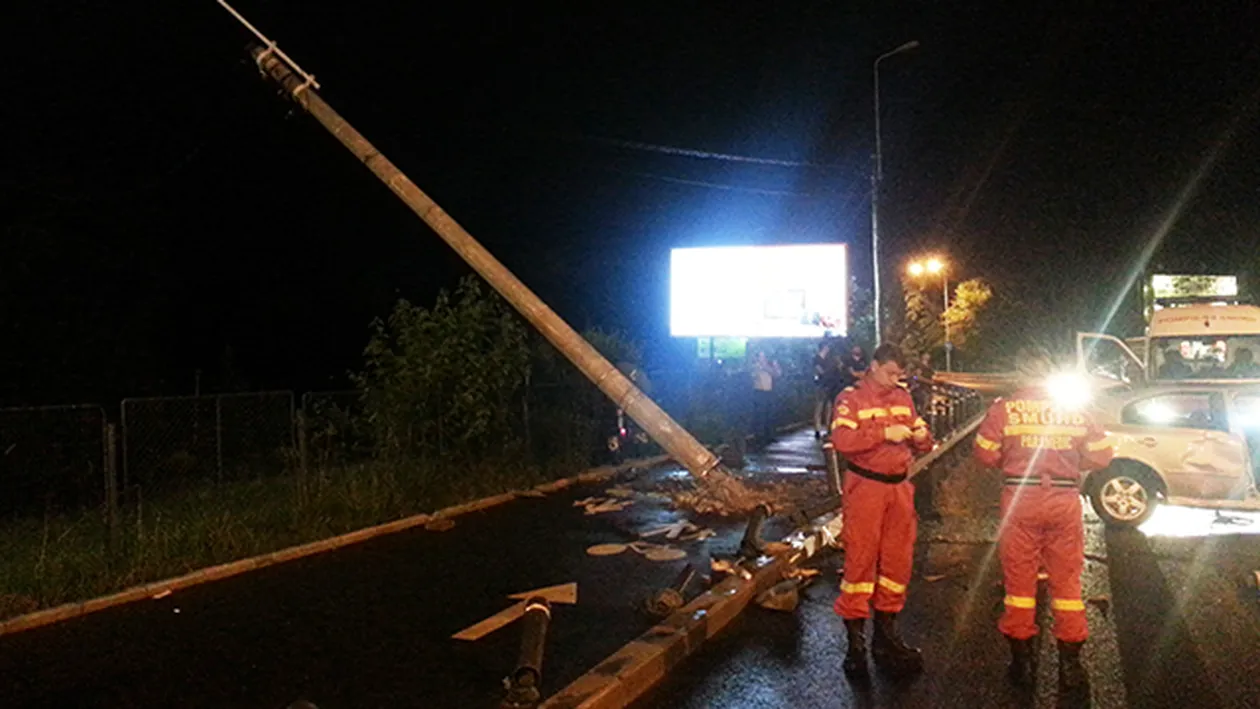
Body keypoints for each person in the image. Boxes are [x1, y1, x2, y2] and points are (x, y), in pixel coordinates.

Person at [972, 348, 1113, 697]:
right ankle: (1071, 665)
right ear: (1049, 373)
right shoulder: (1073, 408)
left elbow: (984, 453)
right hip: (1064, 499)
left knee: (1019, 584)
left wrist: (1013, 461)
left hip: (1020, 499)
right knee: (1067, 583)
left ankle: (1021, 663)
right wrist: (1071, 463)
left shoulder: (1005, 408)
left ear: (1020, 373)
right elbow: (1102, 454)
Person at [830, 343, 933, 678]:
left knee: (897, 562)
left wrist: (920, 435)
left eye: (898, 375)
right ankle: (855, 645)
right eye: (889, 372)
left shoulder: (902, 397)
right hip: (866, 489)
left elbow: (925, 442)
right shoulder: (851, 398)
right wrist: (883, 433)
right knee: (860, 561)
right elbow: (843, 441)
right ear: (873, 366)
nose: (894, 379)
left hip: (899, 489)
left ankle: (886, 637)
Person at [750, 350, 781, 445]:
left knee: (770, 414)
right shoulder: (755, 366)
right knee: (760, 415)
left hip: (769, 391)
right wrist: (760, 367)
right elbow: (752, 375)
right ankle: (759, 436)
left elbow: (777, 374)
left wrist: (770, 367)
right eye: (760, 357)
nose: (762, 359)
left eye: (764, 357)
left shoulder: (769, 366)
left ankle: (770, 435)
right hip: (759, 392)